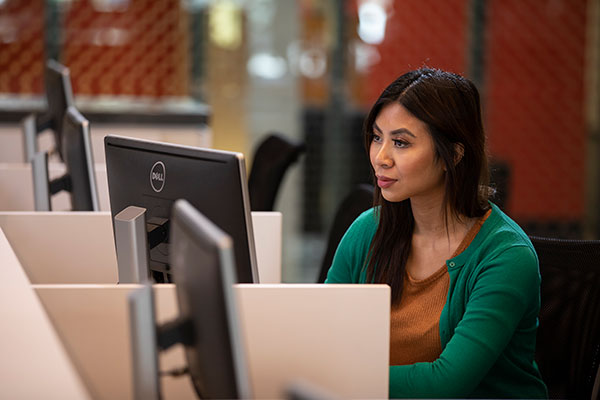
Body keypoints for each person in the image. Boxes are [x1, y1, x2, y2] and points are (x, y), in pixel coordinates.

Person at [325, 68, 548, 399]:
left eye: (400, 142)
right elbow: (322, 335)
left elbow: (444, 384)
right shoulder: (368, 229)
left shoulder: (506, 256)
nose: (380, 158)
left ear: (452, 156)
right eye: (376, 137)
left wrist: (333, 378)